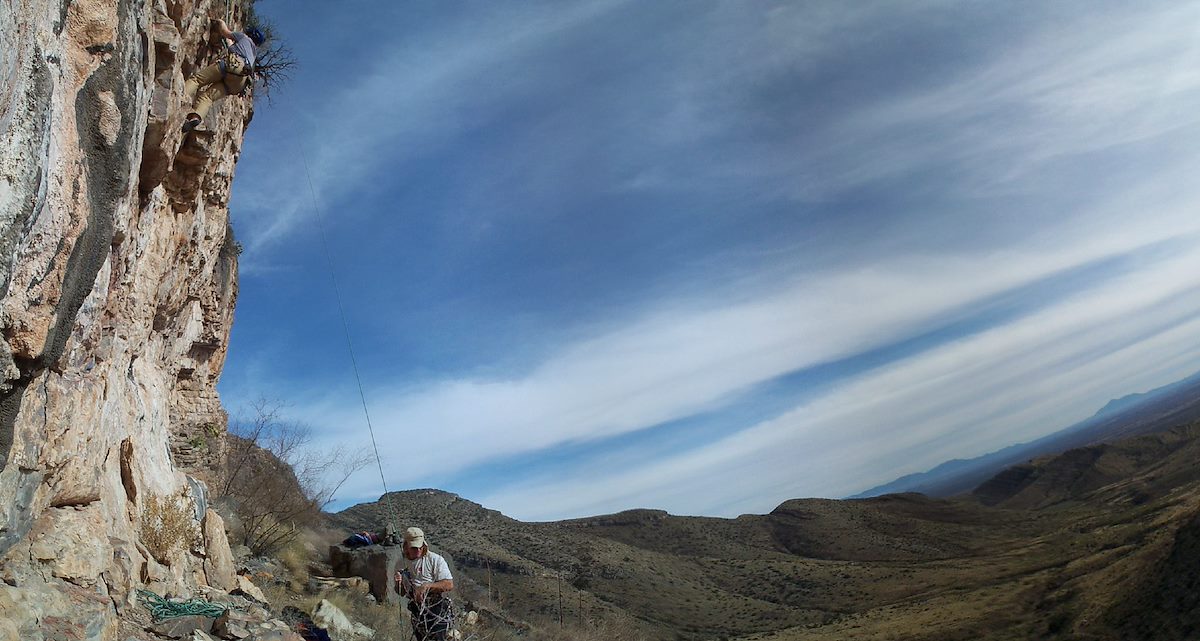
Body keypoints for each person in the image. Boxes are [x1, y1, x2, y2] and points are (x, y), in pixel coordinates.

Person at [181, 19, 266, 132]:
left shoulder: (243, 37)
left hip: (232, 65)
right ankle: (196, 117)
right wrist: (230, 43)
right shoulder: (253, 54)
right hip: (239, 82)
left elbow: (224, 31)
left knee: (197, 80)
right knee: (208, 97)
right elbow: (233, 48)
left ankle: (180, 96)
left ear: (249, 33)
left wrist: (220, 21)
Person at [394, 527, 455, 641]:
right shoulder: (401, 562)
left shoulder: (435, 560)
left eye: (420, 547)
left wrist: (426, 586)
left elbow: (449, 584)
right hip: (416, 609)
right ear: (405, 546)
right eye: (413, 547)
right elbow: (401, 592)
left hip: (436, 607)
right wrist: (399, 583)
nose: (418, 550)